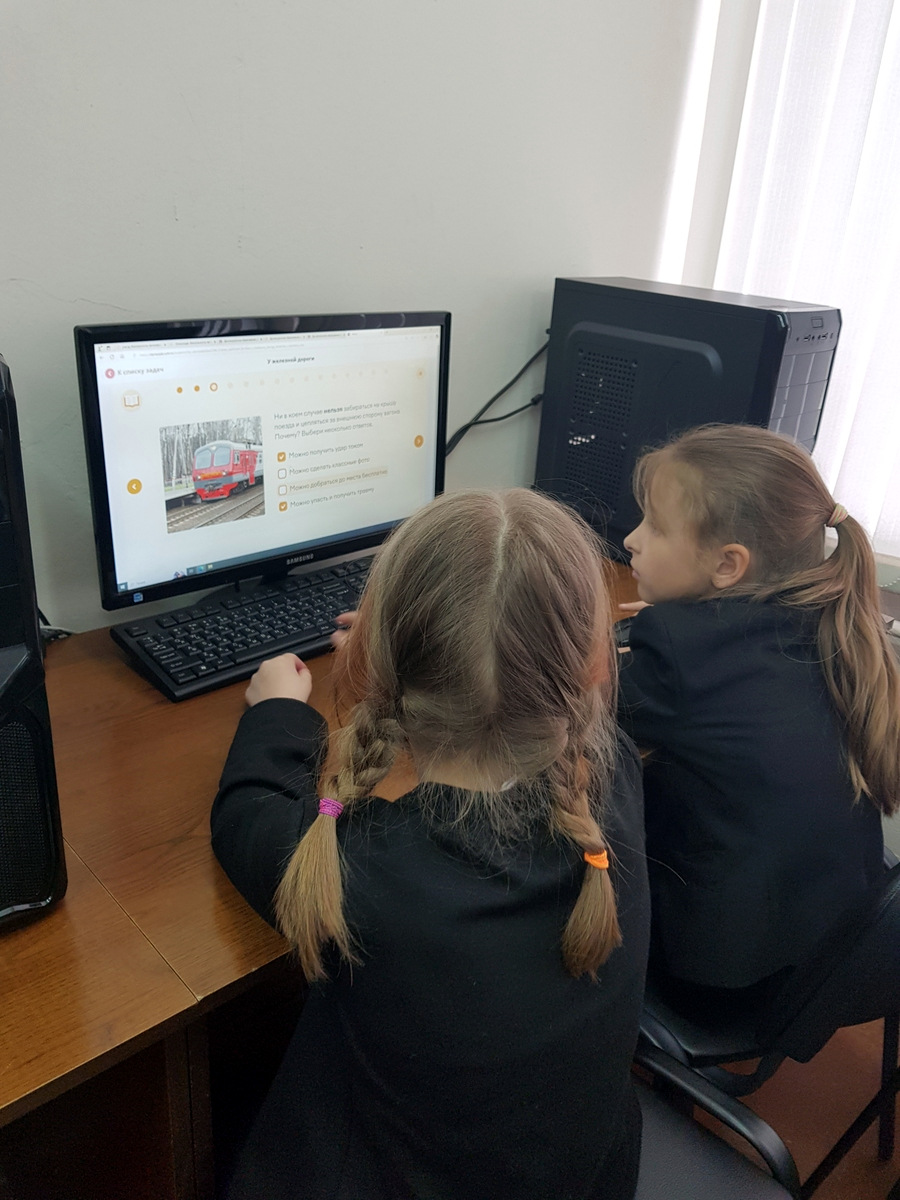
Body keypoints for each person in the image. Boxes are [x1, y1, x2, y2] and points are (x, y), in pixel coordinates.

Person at [211, 488, 650, 1200]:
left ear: (376, 668)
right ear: (594, 663)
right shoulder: (613, 777)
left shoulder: (363, 870)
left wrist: (279, 711)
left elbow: (245, 816)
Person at [617, 422, 898, 1007]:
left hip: (715, 975)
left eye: (655, 527)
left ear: (728, 566)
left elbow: (579, 710)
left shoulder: (676, 647)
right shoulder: (831, 625)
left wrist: (637, 634)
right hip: (839, 955)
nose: (631, 539)